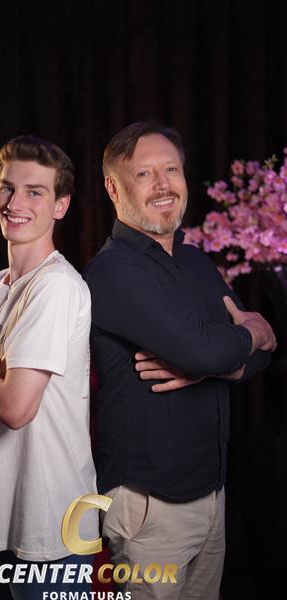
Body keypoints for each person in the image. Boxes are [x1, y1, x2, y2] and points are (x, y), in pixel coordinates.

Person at [83, 120, 276, 600]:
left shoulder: (196, 262)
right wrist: (246, 335)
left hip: (212, 494)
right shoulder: (112, 272)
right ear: (113, 188)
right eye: (144, 173)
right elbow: (215, 346)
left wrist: (220, 363)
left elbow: (258, 356)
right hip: (150, 505)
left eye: (171, 169)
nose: (163, 184)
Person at [0, 135, 98, 599]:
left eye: (35, 191)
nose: (15, 203)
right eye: (7, 188)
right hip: (1, 523)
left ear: (60, 206)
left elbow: (15, 408)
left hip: (53, 529)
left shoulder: (56, 287)